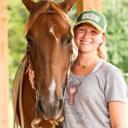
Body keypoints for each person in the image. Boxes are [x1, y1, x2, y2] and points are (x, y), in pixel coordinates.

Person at [63, 10, 128, 128]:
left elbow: (119, 125)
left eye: (94, 32)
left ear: (102, 38)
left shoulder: (110, 74)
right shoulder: (63, 71)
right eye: (82, 30)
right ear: (74, 32)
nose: (86, 36)